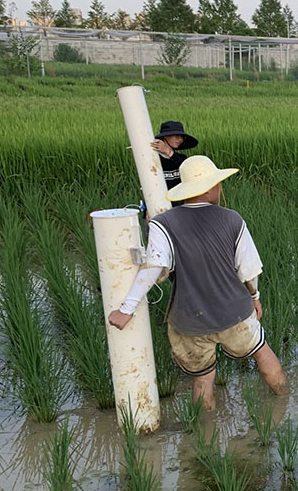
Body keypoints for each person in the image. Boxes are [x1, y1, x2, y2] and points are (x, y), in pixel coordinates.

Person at [107, 156, 287, 410]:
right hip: (234, 313)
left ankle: (205, 437)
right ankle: (284, 402)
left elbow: (154, 268)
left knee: (203, 378)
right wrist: (255, 298)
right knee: (262, 352)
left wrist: (126, 309)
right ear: (211, 188)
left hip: (189, 320)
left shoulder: (162, 223)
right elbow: (248, 271)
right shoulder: (233, 219)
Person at [152, 121, 199, 207]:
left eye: (181, 137)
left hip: (181, 207)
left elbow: (188, 169)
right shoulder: (153, 159)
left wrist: (168, 152)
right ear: (165, 136)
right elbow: (149, 186)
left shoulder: (182, 159)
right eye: (176, 136)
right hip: (160, 206)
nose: (180, 139)